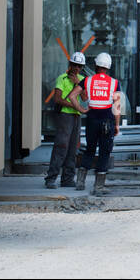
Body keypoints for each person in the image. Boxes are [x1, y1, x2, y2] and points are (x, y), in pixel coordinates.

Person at [76, 52, 122, 195]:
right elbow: (117, 107)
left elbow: (72, 95)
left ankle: (80, 182)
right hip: (107, 121)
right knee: (104, 152)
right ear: (108, 67)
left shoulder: (87, 81)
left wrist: (82, 109)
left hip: (91, 120)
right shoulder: (115, 83)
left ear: (96, 65)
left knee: (90, 149)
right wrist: (117, 125)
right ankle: (98, 187)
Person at [44, 52, 88, 189]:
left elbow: (85, 98)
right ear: (70, 65)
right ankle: (51, 178)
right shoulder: (62, 78)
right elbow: (57, 99)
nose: (76, 68)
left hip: (76, 117)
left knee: (73, 148)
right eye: (74, 65)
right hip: (65, 116)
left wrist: (77, 84)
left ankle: (67, 179)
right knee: (61, 146)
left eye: (79, 66)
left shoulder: (82, 79)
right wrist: (75, 105)